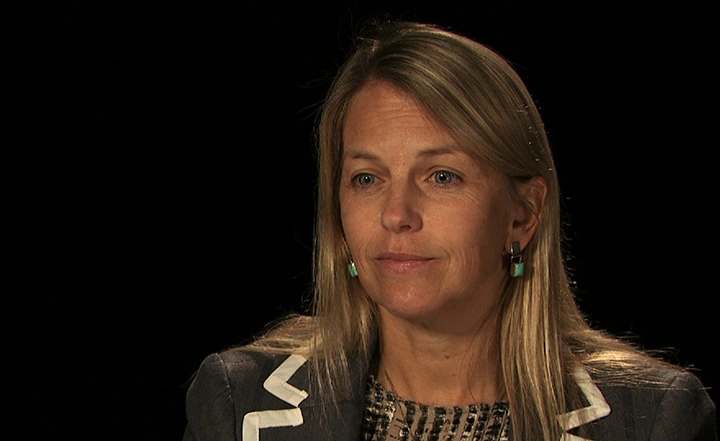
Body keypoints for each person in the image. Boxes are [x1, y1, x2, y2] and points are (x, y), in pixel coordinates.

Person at [181, 21, 717, 441]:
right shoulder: (239, 401)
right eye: (367, 178)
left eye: (442, 176)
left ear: (523, 214)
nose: (397, 214)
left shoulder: (650, 420)